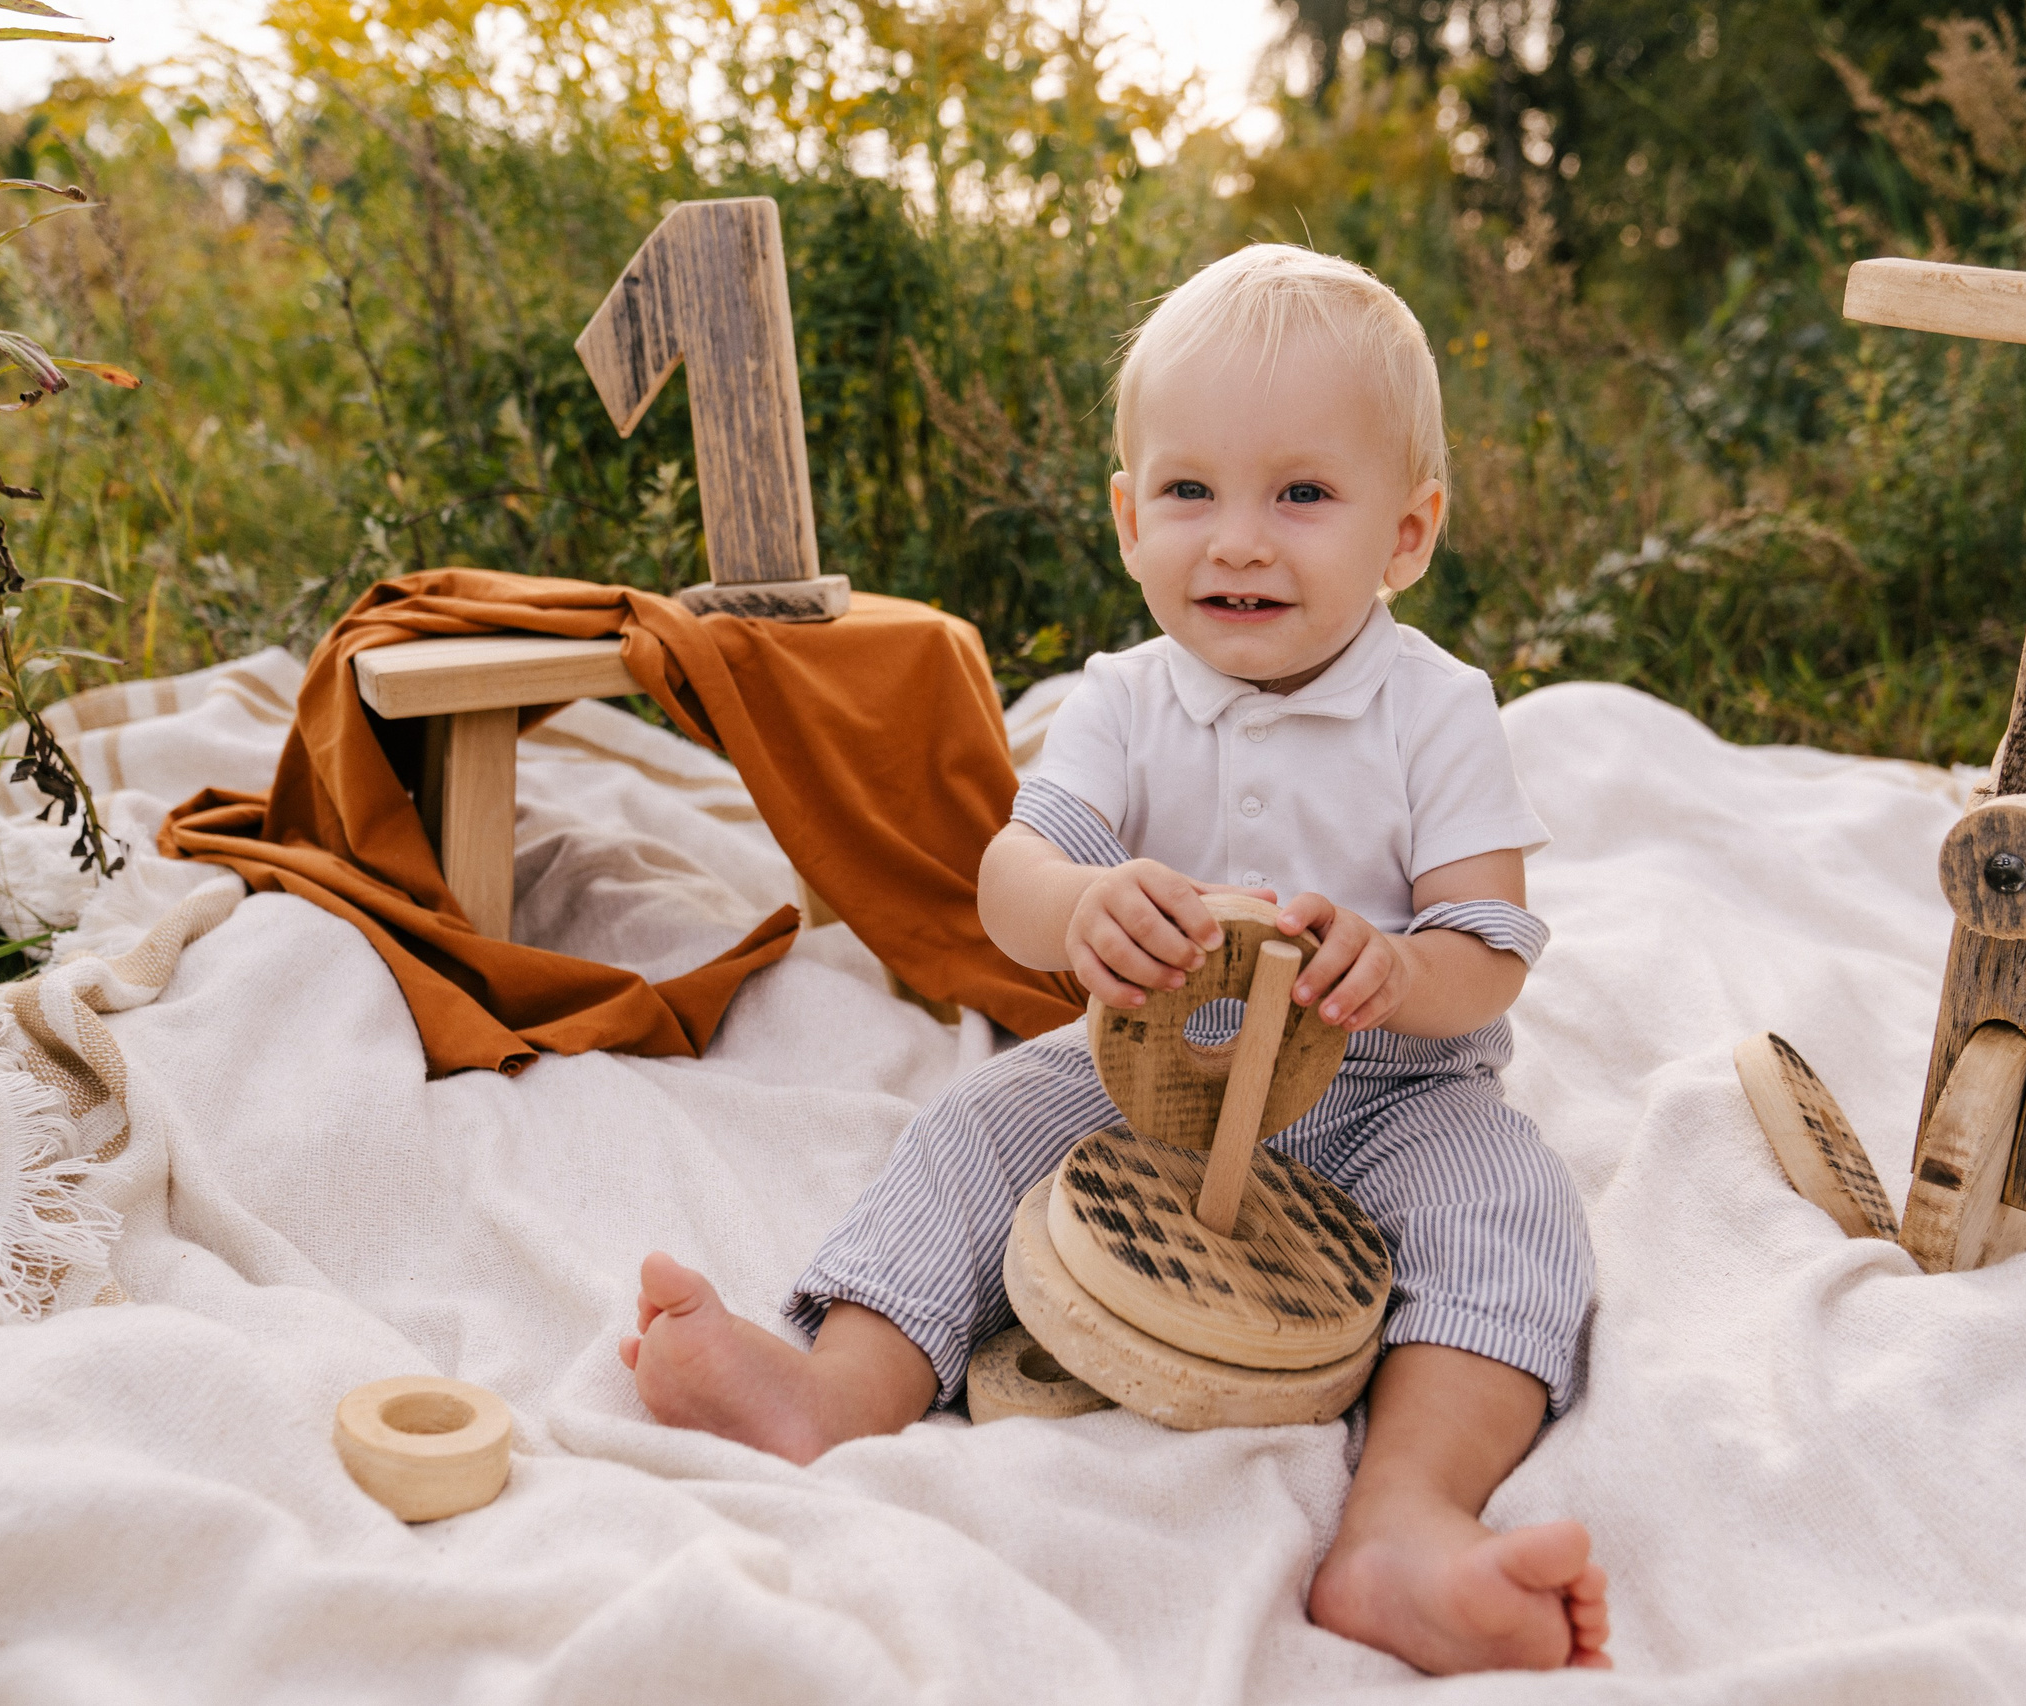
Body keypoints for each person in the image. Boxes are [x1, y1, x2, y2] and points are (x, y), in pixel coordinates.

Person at [622, 244, 1606, 1674]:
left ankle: (1402, 1523)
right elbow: (1012, 877)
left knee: (1516, 1211)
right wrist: (1078, 911)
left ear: (1408, 532)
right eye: (1190, 490)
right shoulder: (1125, 699)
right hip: (1154, 1070)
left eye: (1305, 494)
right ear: (1128, 515)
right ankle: (837, 1391)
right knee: (976, 1126)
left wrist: (1396, 968)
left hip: (1396, 1094)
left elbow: (1489, 943)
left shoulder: (1436, 707)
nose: (1240, 540)